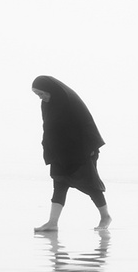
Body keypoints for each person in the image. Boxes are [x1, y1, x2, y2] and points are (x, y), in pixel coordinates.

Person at [31, 75, 110, 231]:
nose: (41, 97)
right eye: (38, 95)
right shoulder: (47, 104)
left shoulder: (69, 100)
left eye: (42, 93)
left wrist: (90, 150)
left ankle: (105, 217)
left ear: (50, 89)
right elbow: (48, 127)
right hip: (60, 151)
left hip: (81, 150)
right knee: (59, 184)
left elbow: (86, 125)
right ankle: (52, 223)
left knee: (91, 185)